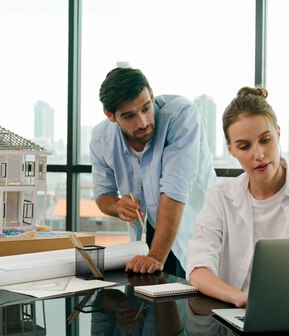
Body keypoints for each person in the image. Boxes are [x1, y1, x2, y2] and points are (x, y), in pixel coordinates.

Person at [186, 86, 289, 307]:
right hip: (237, 312)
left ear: (278, 133)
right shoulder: (220, 197)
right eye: (244, 146)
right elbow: (198, 268)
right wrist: (238, 297)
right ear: (231, 150)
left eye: (265, 140)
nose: (259, 155)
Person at [90, 67, 216, 278]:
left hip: (196, 228)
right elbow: (103, 195)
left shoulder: (181, 115)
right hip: (149, 233)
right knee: (153, 301)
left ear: (152, 94)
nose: (143, 122)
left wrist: (156, 257)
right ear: (110, 116)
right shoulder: (101, 138)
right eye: (129, 116)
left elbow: (174, 191)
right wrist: (118, 206)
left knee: (197, 304)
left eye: (146, 108)